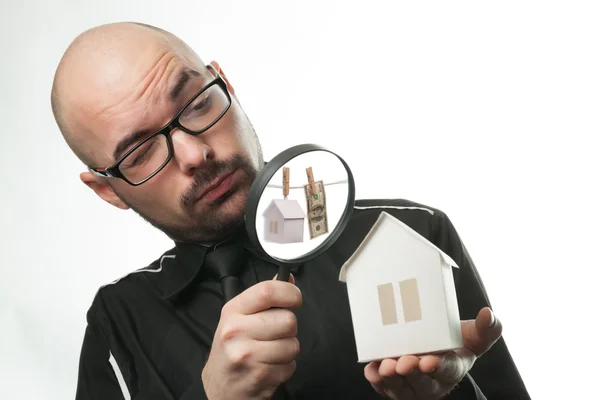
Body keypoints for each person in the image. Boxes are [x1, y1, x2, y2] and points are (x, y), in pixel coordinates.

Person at [51, 22, 530, 400]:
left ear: (228, 86)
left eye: (196, 103)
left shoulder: (412, 235)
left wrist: (450, 394)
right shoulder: (118, 323)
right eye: (140, 153)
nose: (195, 154)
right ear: (107, 190)